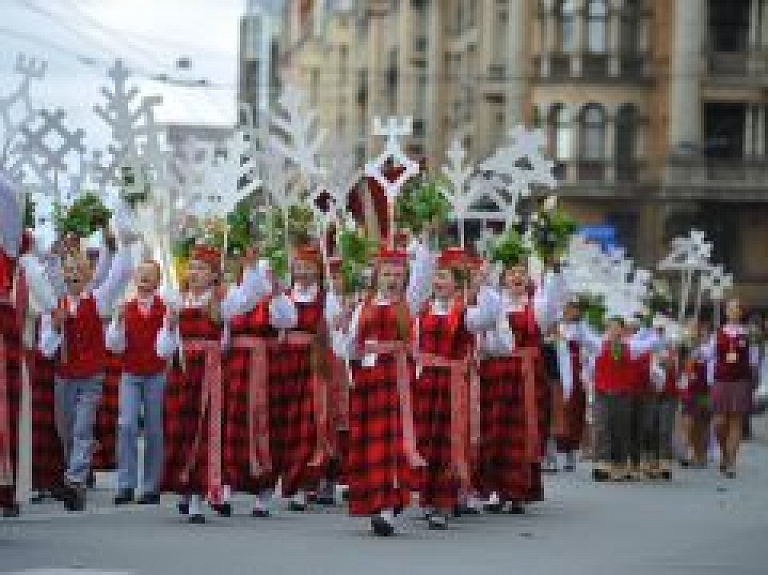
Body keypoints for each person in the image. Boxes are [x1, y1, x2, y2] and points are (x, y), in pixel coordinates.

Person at [158, 243, 268, 524]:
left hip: (210, 377)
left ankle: (196, 496)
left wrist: (251, 268)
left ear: (214, 275)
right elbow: (163, 350)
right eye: (192, 267)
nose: (195, 272)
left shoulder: (221, 300)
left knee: (203, 433)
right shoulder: (177, 300)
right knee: (179, 430)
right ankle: (183, 486)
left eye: (202, 269)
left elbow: (251, 297)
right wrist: (169, 326)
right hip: (182, 375)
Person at [331, 239, 433, 536]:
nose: (392, 280)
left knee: (393, 443)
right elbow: (350, 350)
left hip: (396, 379)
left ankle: (389, 507)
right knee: (368, 441)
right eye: (387, 274)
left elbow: (424, 276)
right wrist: (345, 325)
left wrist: (423, 242)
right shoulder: (363, 305)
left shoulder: (408, 303)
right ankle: (374, 502)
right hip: (368, 382)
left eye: (398, 274)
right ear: (377, 275)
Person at [38, 240, 134, 511]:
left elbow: (119, 276)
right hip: (64, 376)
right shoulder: (54, 306)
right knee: (66, 430)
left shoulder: (98, 299)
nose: (73, 274)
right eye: (69, 270)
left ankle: (74, 480)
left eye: (79, 269)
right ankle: (78, 469)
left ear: (89, 274)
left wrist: (120, 246)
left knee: (82, 428)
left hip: (91, 376)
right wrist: (56, 328)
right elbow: (46, 349)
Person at [412, 247, 499, 529]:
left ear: (457, 283)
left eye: (445, 277)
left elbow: (488, 317)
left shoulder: (466, 312)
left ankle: (443, 502)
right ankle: (427, 498)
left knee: (447, 443)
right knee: (425, 442)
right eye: (437, 276)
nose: (438, 282)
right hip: (426, 381)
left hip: (452, 385)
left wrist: (482, 286)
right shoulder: (423, 308)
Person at [475, 251, 565, 513]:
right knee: (495, 432)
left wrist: (554, 270)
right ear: (502, 279)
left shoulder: (536, 305)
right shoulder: (495, 303)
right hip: (496, 373)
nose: (517, 277)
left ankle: (518, 491)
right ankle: (494, 491)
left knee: (524, 433)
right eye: (512, 272)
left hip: (527, 376)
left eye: (522, 273)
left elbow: (553, 303)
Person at [106, 260, 175, 505]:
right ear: (135, 279)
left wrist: (170, 326)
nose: (144, 278)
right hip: (131, 373)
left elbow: (167, 348)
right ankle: (125, 484)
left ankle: (151, 486)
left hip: (156, 373)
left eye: (150, 275)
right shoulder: (126, 308)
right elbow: (114, 345)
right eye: (141, 275)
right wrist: (116, 321)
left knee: (155, 428)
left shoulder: (164, 309)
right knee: (126, 425)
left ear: (157, 281)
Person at [697, 298, 760, 478]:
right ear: (726, 312)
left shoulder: (749, 333)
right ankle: (724, 452)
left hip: (741, 380)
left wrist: (754, 383)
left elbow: (754, 360)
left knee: (736, 421)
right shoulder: (718, 333)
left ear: (741, 312)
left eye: (737, 308)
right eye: (730, 308)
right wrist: (697, 348)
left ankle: (731, 461)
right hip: (721, 380)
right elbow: (708, 354)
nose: (733, 312)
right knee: (718, 422)